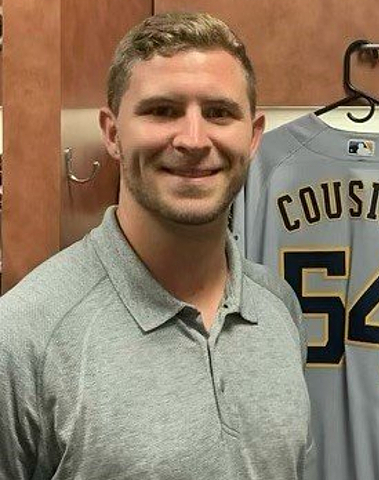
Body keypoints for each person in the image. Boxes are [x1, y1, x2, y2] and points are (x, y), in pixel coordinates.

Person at [0, 12, 313, 479]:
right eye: (162, 110)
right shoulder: (24, 337)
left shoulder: (278, 308)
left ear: (252, 136)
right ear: (112, 133)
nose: (192, 139)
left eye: (219, 113)